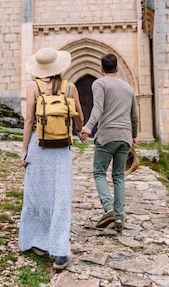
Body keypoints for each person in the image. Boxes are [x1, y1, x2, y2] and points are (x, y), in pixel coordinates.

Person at [18, 47, 84, 270]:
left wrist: (24, 150)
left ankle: (36, 241)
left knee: (37, 195)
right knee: (60, 199)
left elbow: (29, 121)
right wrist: (80, 130)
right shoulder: (70, 87)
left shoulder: (33, 87)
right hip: (61, 150)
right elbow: (78, 116)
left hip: (40, 145)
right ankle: (60, 252)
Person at [80, 53, 138, 232]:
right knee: (119, 176)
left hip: (107, 135)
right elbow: (134, 116)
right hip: (125, 136)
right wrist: (133, 136)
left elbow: (98, 108)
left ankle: (109, 208)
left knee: (99, 173)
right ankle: (119, 218)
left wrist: (88, 127)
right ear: (117, 68)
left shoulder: (99, 83)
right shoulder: (128, 88)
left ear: (101, 69)